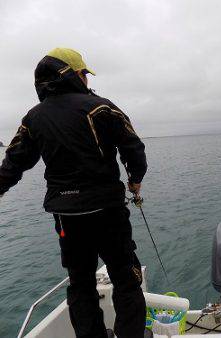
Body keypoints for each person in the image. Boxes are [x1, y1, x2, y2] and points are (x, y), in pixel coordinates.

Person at [0, 48, 148, 338]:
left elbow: (14, 161)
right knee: (126, 278)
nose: (87, 80)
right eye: (84, 74)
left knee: (80, 284)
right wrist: (135, 180)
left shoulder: (33, 118)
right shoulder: (101, 107)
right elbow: (133, 147)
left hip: (67, 217)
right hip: (108, 212)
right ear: (72, 74)